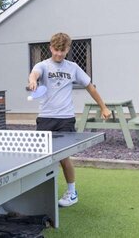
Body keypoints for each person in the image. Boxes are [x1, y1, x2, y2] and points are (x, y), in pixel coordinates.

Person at [28, 32, 111, 207]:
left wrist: (103, 107)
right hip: (45, 118)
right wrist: (33, 81)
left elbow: (90, 88)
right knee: (41, 157)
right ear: (50, 48)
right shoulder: (42, 65)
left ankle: (72, 193)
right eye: (56, 50)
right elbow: (34, 74)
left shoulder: (73, 67)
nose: (58, 53)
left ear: (68, 49)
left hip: (65, 118)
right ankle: (40, 192)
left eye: (62, 50)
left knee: (63, 157)